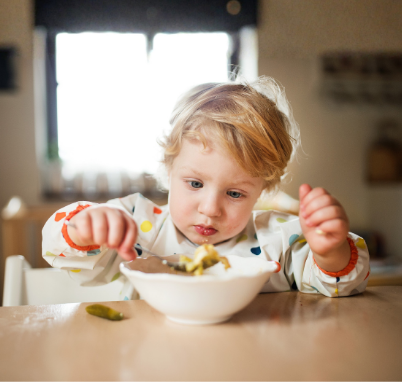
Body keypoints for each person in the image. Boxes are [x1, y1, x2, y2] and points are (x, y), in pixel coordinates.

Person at [41, 77, 369, 299]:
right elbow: (63, 253)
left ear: (262, 190)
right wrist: (83, 230)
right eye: (195, 183)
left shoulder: (279, 243)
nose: (210, 208)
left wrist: (329, 252)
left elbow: (340, 286)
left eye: (235, 193)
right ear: (169, 170)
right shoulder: (138, 228)